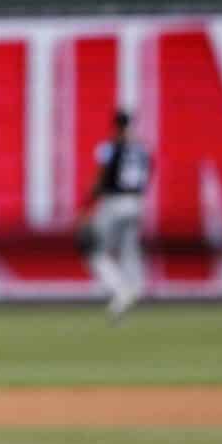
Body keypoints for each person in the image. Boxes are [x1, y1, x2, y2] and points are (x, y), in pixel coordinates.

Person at [82, 108, 151, 319]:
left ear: (116, 125)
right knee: (129, 250)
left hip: (114, 201)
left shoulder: (110, 147)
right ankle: (135, 290)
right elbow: (147, 174)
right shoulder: (142, 149)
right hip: (136, 202)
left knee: (95, 252)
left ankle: (121, 290)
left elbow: (101, 178)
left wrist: (87, 205)